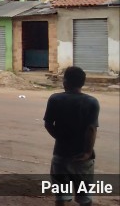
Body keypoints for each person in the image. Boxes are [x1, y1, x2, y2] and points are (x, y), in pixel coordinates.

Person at [43, 66, 100, 206]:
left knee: (61, 197)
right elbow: (91, 129)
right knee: (85, 197)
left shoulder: (55, 99)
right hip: (83, 158)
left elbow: (48, 124)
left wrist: (61, 138)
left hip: (61, 154)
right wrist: (87, 152)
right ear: (83, 83)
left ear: (65, 81)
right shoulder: (92, 102)